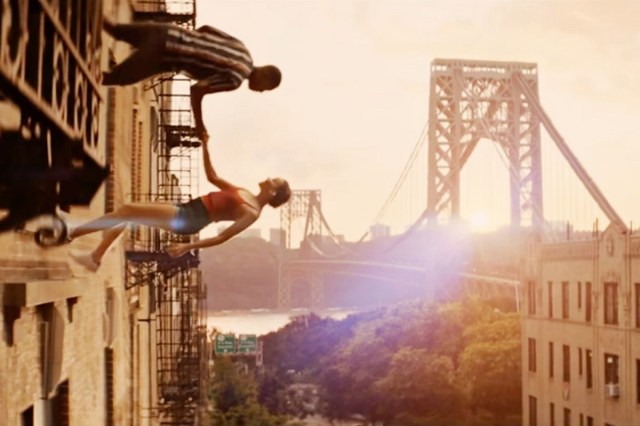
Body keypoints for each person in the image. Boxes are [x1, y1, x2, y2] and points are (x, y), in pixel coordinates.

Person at [68, 140, 291, 272]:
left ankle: (74, 235)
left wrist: (187, 247)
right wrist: (205, 145)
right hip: (188, 208)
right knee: (127, 214)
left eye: (274, 180)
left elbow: (222, 238)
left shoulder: (252, 213)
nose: (270, 177)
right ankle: (95, 257)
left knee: (127, 210)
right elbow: (212, 177)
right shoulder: (245, 192)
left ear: (272, 192)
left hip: (191, 219)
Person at [101, 17, 282, 141]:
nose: (260, 91)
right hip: (164, 54)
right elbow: (197, 89)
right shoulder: (235, 79)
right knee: (113, 78)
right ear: (265, 76)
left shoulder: (242, 48)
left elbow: (207, 28)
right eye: (265, 88)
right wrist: (200, 126)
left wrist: (190, 44)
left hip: (168, 31)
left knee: (114, 29)